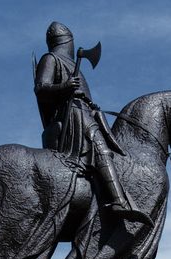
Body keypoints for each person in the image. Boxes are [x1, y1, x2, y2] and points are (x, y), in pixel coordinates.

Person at [33, 21, 149, 224]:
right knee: (101, 149)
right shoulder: (50, 59)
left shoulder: (69, 63)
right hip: (73, 116)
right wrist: (65, 86)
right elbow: (41, 88)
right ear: (66, 42)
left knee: (112, 150)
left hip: (85, 111)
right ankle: (117, 201)